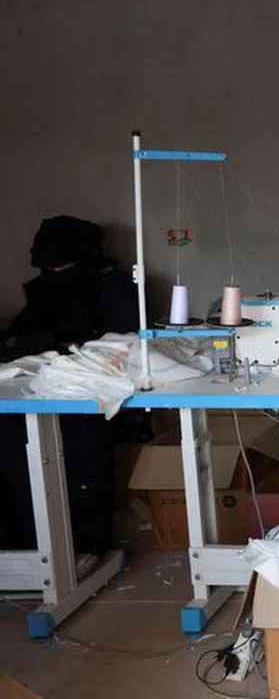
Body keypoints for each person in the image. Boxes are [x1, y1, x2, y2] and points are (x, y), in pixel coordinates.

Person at [0, 215, 139, 559]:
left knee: (80, 450)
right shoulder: (43, 291)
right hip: (34, 391)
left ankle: (83, 547)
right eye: (49, 269)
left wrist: (55, 345)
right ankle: (26, 545)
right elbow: (16, 341)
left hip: (88, 395)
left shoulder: (115, 290)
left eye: (63, 267)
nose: (55, 274)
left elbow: (121, 345)